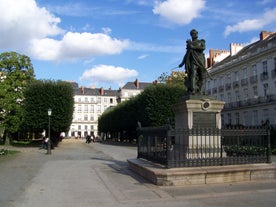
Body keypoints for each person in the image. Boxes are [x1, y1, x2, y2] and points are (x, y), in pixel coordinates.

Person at [179, 29, 206, 94]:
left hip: (201, 60)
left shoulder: (201, 41)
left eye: (196, 33)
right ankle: (193, 89)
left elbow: (203, 48)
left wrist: (193, 47)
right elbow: (187, 54)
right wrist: (182, 63)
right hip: (193, 61)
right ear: (191, 35)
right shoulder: (190, 44)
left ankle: (200, 90)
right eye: (193, 34)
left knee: (201, 76)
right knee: (193, 75)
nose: (195, 34)